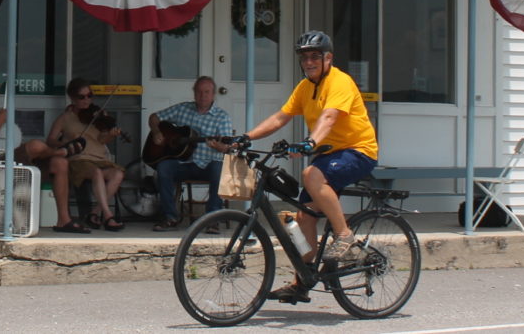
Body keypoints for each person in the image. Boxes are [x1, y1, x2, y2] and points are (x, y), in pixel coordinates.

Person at [238, 30, 378, 304]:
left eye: (315, 56)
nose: (309, 62)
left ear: (328, 58)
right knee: (303, 220)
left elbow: (329, 117)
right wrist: (246, 137)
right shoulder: (305, 87)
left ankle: (344, 235)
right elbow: (280, 117)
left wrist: (309, 142)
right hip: (330, 155)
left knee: (309, 174)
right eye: (305, 57)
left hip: (358, 151)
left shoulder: (340, 82)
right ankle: (301, 282)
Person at [0, 66, 89, 234]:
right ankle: (60, 151)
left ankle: (64, 220)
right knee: (36, 146)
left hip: (9, 158)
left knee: (60, 163)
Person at [148, 76, 234, 232]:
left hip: (208, 165)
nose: (202, 96)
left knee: (219, 169)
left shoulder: (222, 117)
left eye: (207, 92)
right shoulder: (182, 109)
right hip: (183, 164)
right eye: (199, 92)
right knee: (163, 167)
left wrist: (218, 146)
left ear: (213, 94)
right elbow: (154, 117)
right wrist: (156, 132)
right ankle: (170, 217)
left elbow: (227, 148)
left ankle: (212, 219)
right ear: (194, 93)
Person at [47, 78, 127, 232]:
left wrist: (111, 134)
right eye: (82, 97)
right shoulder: (65, 118)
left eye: (90, 96)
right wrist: (65, 146)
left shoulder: (97, 115)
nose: (87, 100)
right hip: (79, 159)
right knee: (96, 173)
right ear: (72, 98)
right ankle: (108, 216)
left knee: (118, 174)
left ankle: (94, 213)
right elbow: (50, 140)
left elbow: (102, 139)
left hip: (99, 159)